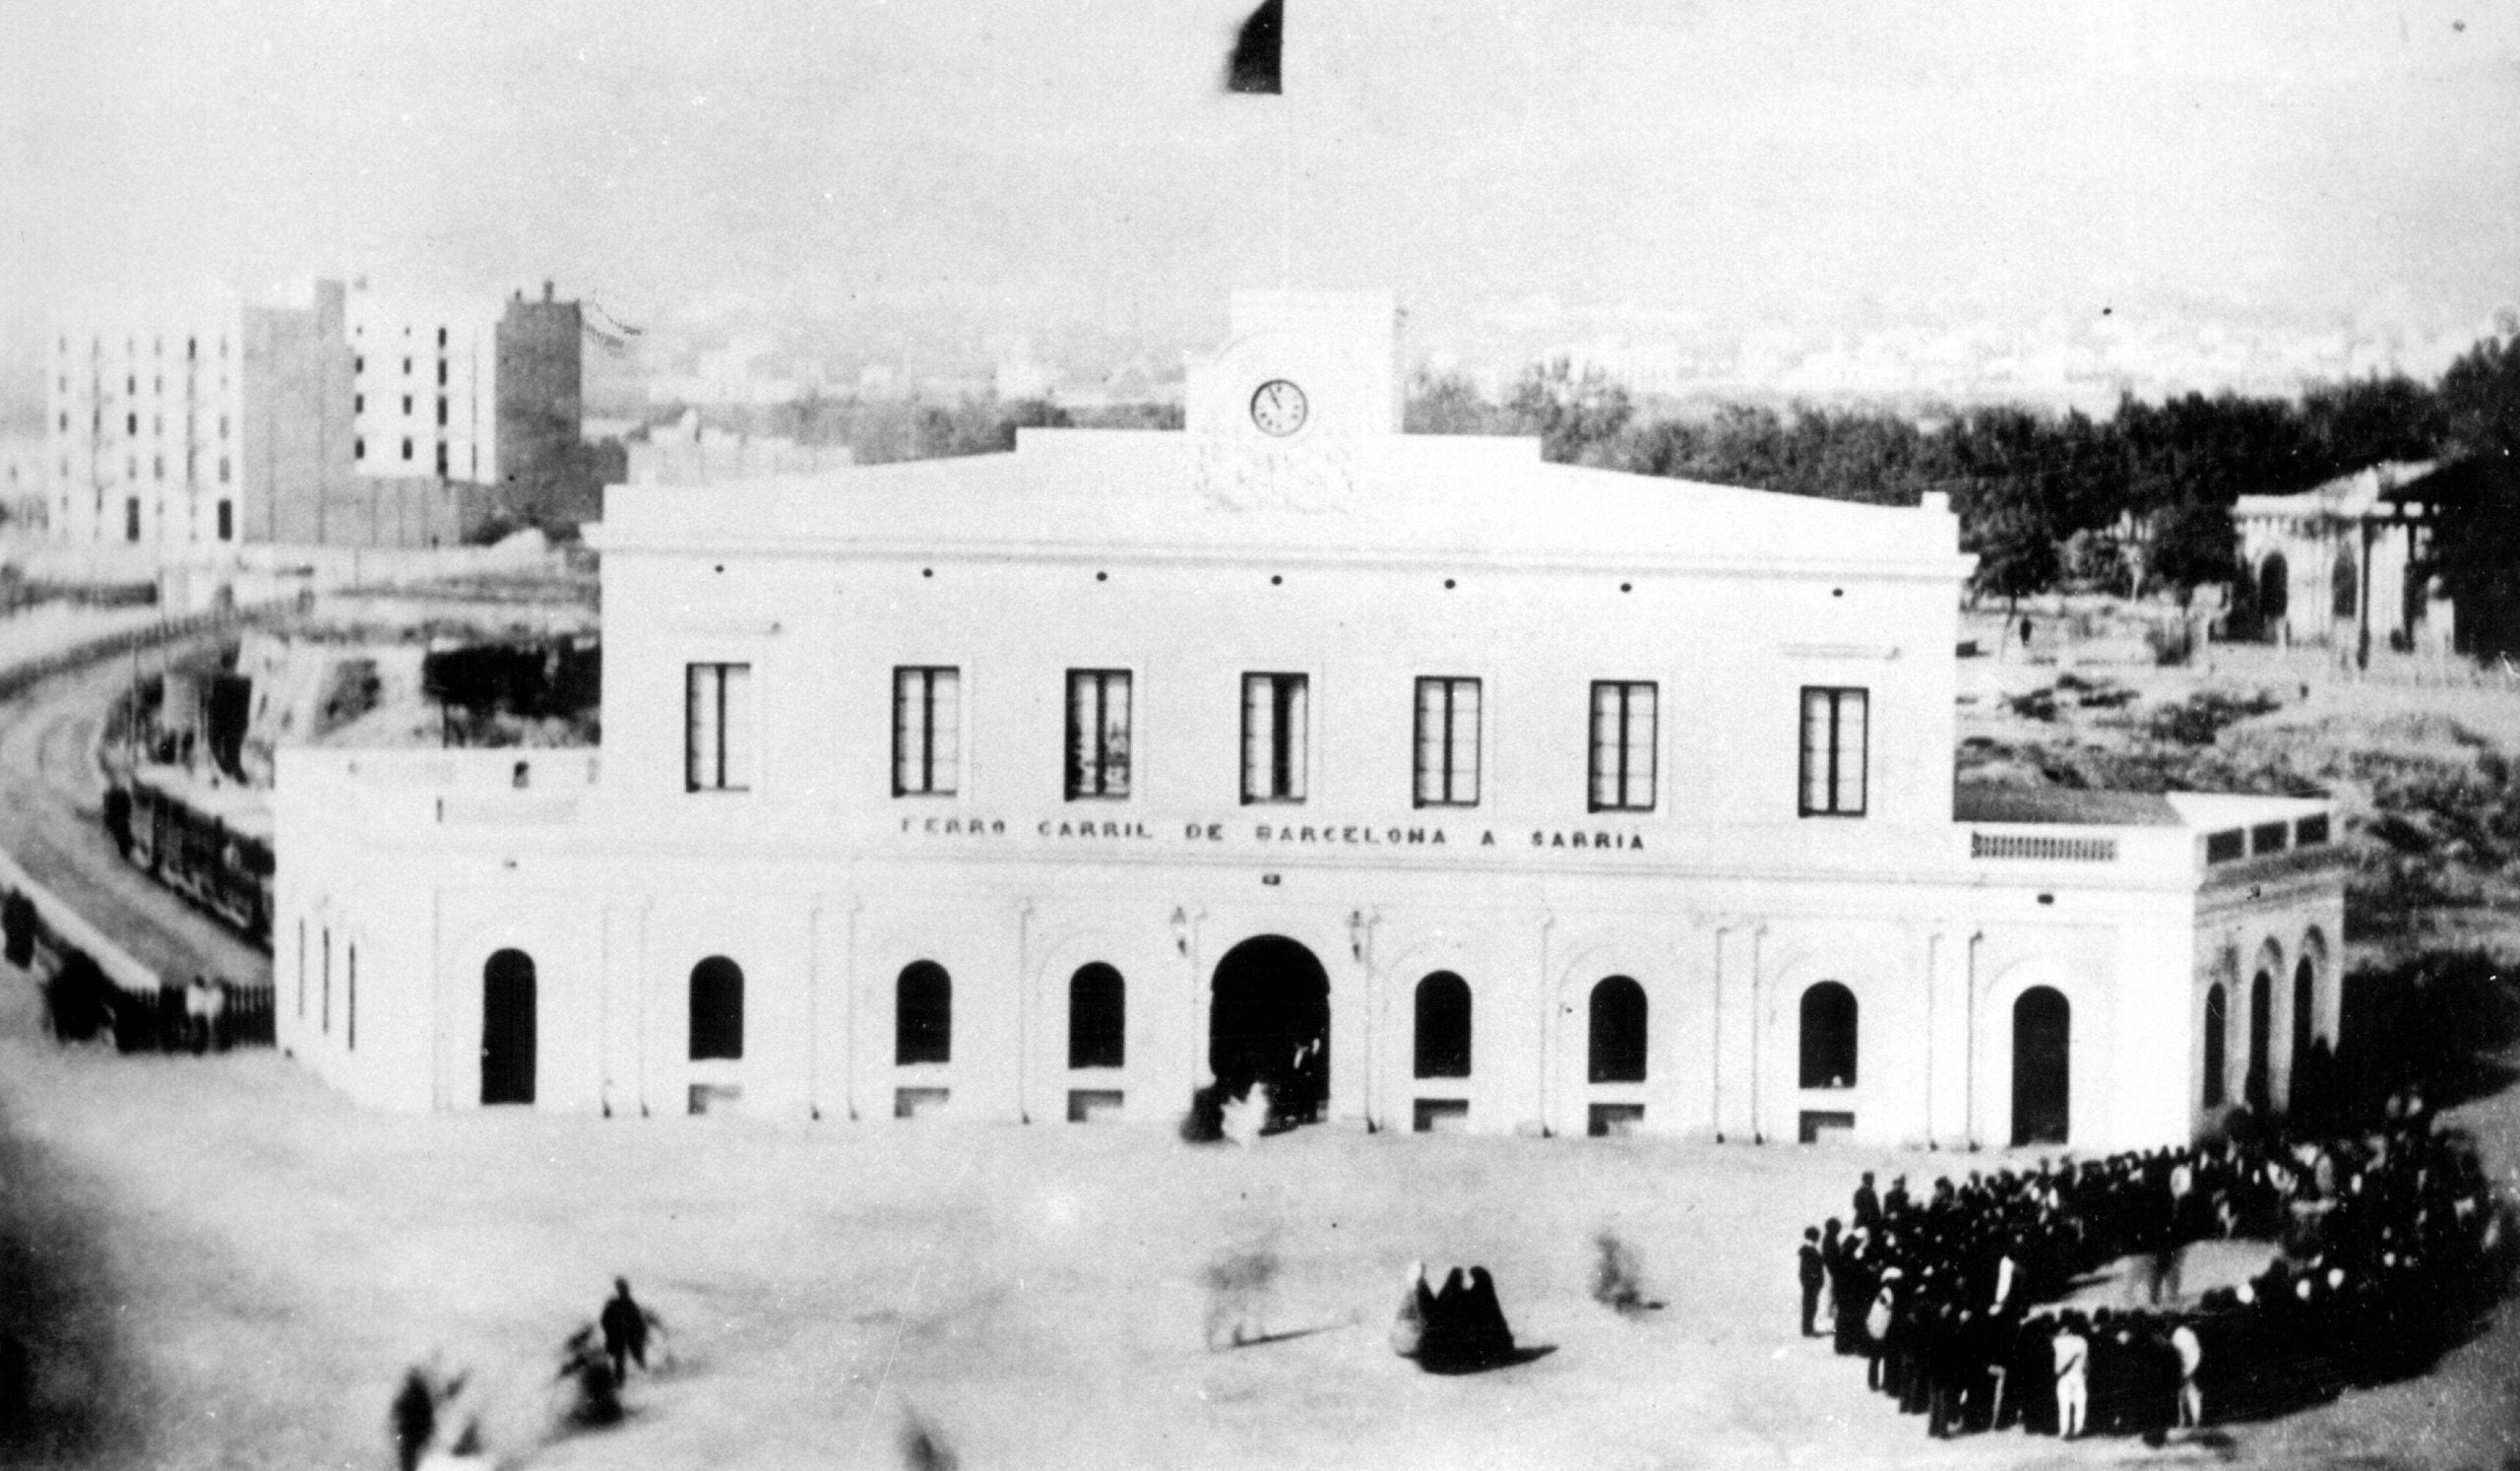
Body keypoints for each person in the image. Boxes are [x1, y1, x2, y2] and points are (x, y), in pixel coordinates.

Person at [598, 1278, 653, 1386]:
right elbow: (605, 1320)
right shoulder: (614, 1304)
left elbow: (638, 1321)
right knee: (620, 1359)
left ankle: (642, 1377)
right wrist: (611, 1331)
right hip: (619, 1336)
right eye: (622, 1289)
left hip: (630, 1335)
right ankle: (620, 1382)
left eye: (624, 1289)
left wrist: (642, 1333)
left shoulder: (629, 1304)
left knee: (636, 1357)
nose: (624, 1291)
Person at [2052, 1312, 2090, 1439]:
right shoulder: (2082, 1341)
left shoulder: (2057, 1342)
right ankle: (2078, 1428)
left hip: (2063, 1376)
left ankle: (2064, 1430)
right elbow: (2086, 1362)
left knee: (2064, 1405)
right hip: (2078, 1375)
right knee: (2080, 1404)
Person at [1391, 1261, 1431, 1359]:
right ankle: (1417, 1283)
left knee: (1410, 1305)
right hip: (1411, 1337)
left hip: (1405, 1339)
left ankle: (1416, 1283)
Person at [1798, 1228, 1827, 1337]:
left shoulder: (1808, 1250)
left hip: (1809, 1283)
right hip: (1811, 1283)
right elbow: (1811, 1268)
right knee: (1810, 1306)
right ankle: (1807, 1329)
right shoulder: (1810, 1250)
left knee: (1810, 1306)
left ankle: (1808, 1329)